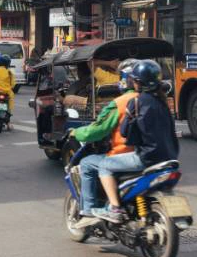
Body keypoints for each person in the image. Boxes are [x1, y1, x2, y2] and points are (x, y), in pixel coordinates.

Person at [92, 59, 179, 224]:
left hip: (146, 157)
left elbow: (125, 132)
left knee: (104, 165)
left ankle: (115, 208)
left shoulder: (137, 102)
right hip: (171, 157)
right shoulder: (163, 102)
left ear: (137, 82)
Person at [72, 58, 140, 229]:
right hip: (157, 155)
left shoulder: (121, 102)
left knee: (87, 163)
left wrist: (76, 132)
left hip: (127, 154)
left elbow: (99, 130)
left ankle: (89, 211)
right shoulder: (155, 99)